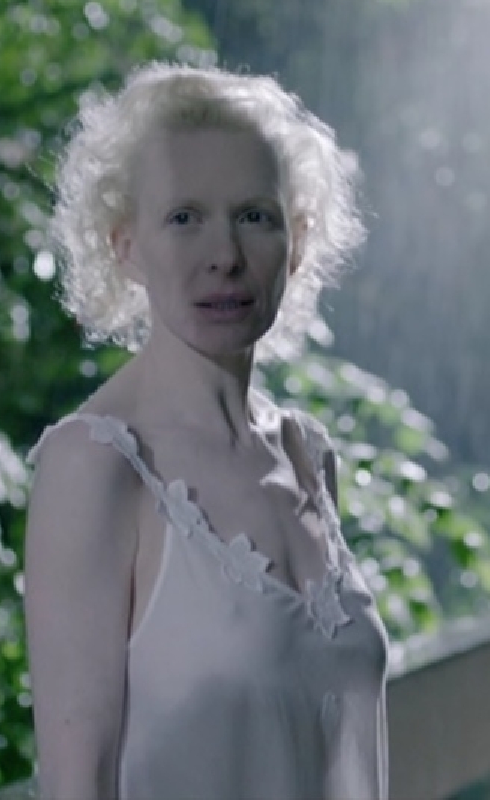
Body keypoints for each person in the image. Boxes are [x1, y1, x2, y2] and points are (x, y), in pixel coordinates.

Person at [23, 62, 389, 800]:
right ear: (125, 245)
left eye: (254, 215)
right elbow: (75, 784)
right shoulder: (95, 464)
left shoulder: (307, 455)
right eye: (184, 217)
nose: (224, 255)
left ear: (297, 241)